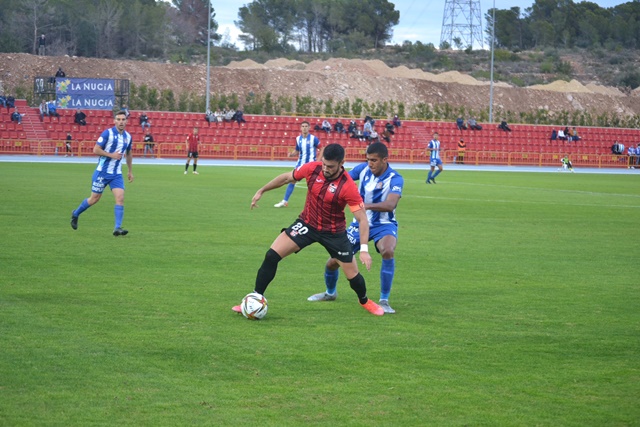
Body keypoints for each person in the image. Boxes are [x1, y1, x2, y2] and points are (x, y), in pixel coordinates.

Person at [231, 143, 384, 317]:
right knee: (271, 255)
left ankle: (364, 300)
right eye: (324, 164)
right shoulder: (312, 168)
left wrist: (364, 250)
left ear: (342, 163)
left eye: (331, 166)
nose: (326, 169)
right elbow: (287, 178)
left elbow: (362, 219)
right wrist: (262, 190)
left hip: (334, 232)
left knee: (352, 275)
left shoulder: (348, 186)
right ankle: (255, 298)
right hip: (307, 224)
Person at [307, 142, 403, 314]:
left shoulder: (395, 178)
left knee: (387, 250)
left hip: (384, 224)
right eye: (368, 160)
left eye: (374, 160)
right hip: (358, 224)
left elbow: (390, 204)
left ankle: (384, 300)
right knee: (332, 262)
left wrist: (362, 205)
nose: (370, 164)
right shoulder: (363, 169)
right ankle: (330, 293)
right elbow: (342, 179)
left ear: (384, 160)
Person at [69, 110, 134, 236]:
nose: (121, 122)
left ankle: (117, 228)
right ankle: (75, 213)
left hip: (116, 174)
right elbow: (96, 149)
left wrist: (130, 171)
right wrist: (112, 155)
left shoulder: (128, 137)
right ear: (114, 121)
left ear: (126, 121)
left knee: (120, 198)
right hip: (102, 173)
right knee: (94, 199)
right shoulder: (107, 133)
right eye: (118, 119)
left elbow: (129, 153)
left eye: (123, 119)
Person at [274, 121, 321, 208]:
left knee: (314, 184)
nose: (304, 128)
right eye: (303, 126)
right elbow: (297, 150)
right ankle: (285, 201)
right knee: (292, 181)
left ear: (309, 127)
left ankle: (317, 204)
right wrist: (291, 154)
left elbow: (322, 148)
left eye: (306, 126)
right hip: (300, 165)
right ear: (300, 128)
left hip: (311, 165)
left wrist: (318, 161)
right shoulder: (298, 139)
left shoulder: (313, 139)